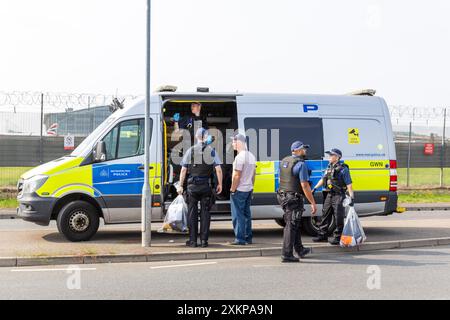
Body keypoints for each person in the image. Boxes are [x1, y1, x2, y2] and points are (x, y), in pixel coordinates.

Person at [178, 128, 223, 248]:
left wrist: (180, 186)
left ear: (197, 137)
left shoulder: (190, 151)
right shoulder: (212, 151)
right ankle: (204, 241)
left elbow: (183, 170)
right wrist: (220, 184)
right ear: (206, 137)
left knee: (192, 214)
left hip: (192, 187)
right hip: (206, 187)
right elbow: (218, 169)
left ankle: (192, 241)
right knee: (205, 214)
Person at [278, 141, 317, 263]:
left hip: (283, 196)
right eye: (303, 149)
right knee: (291, 225)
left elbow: (281, 178)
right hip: (293, 198)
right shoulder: (301, 164)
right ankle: (287, 254)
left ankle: (300, 249)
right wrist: (313, 202)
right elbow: (305, 185)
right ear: (297, 150)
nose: (305, 151)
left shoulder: (284, 161)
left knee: (294, 223)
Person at [312, 148, 355, 245]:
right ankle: (322, 235)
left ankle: (338, 237)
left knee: (338, 217)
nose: (329, 157)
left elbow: (349, 184)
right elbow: (323, 179)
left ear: (337, 157)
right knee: (325, 214)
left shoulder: (343, 169)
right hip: (329, 194)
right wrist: (314, 189)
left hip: (339, 196)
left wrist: (351, 197)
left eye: (331, 155)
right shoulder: (329, 167)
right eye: (329, 155)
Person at [229, 134, 256, 246]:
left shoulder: (239, 157)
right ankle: (248, 237)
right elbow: (254, 174)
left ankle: (240, 239)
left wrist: (232, 189)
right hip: (248, 189)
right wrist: (252, 187)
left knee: (238, 215)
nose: (232, 144)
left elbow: (237, 176)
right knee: (246, 214)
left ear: (239, 142)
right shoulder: (251, 156)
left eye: (234, 141)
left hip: (239, 190)